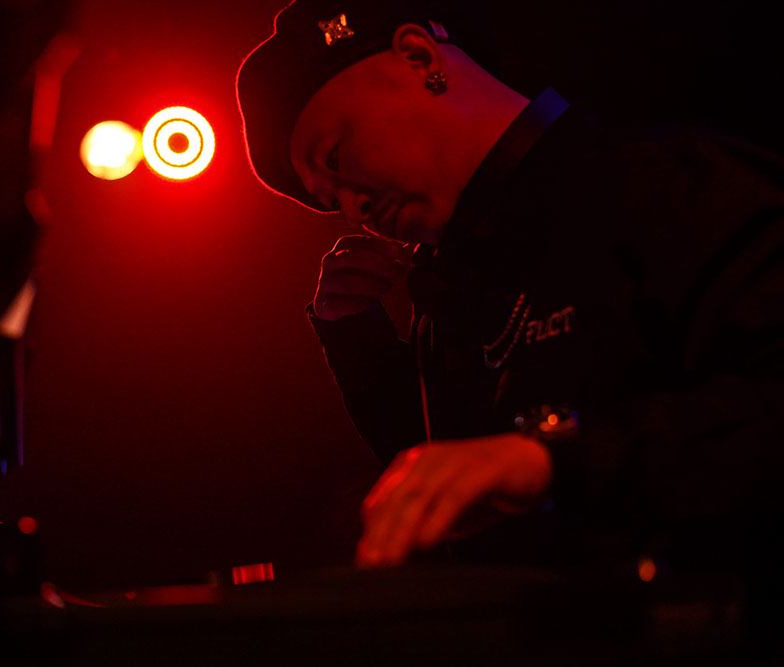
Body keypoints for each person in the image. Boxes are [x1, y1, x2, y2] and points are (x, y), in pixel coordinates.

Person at [235, 0, 783, 636]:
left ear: (418, 57)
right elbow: (461, 486)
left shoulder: (667, 186)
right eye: (332, 201)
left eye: (335, 157)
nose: (354, 209)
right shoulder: (450, 292)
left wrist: (552, 459)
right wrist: (358, 339)